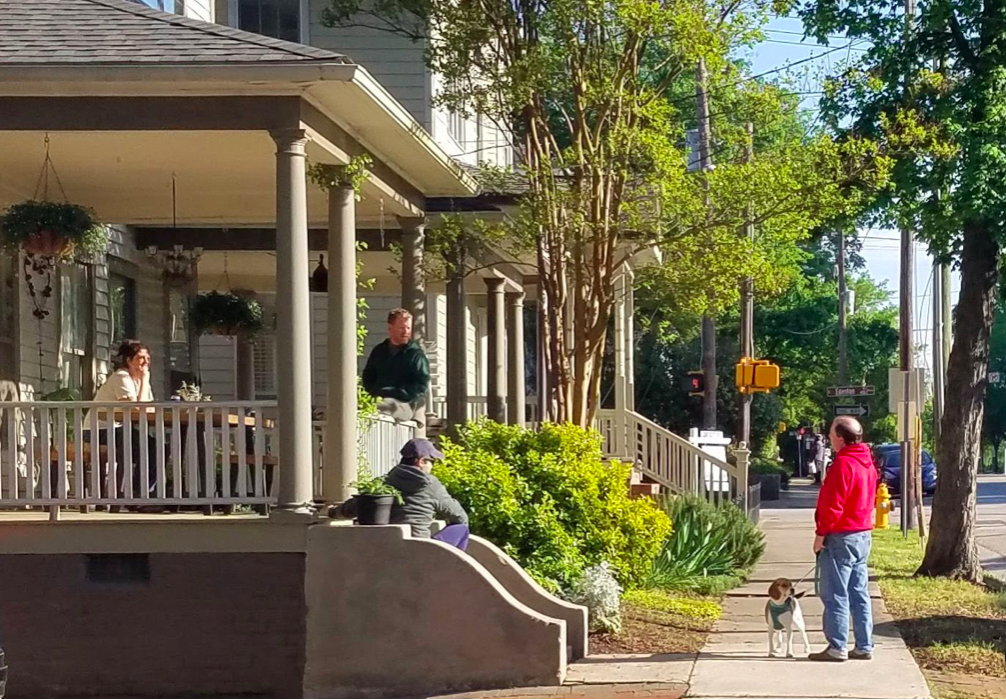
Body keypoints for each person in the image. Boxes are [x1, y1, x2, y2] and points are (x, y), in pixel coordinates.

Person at [810, 415, 877, 662]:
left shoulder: (842, 465)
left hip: (841, 536)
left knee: (835, 592)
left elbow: (832, 505)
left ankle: (837, 645)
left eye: (830, 434)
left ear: (839, 437)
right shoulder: (867, 463)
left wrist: (821, 534)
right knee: (859, 592)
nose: (829, 438)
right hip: (862, 534)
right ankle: (864, 644)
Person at [330, 438, 470, 550]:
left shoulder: (383, 482)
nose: (432, 466)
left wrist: (333, 512)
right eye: (431, 461)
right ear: (421, 461)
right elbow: (460, 516)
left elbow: (354, 507)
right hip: (422, 549)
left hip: (384, 549)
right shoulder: (431, 485)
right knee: (461, 529)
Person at [88, 340, 157, 498]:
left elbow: (150, 408)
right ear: (128, 360)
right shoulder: (121, 376)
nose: (146, 362)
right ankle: (139, 494)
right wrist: (145, 380)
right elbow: (135, 409)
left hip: (120, 428)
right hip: (100, 429)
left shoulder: (139, 380)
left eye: (148, 359)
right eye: (141, 358)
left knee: (156, 446)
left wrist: (143, 383)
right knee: (148, 446)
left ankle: (143, 492)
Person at [361, 308, 430, 423]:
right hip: (378, 399)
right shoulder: (379, 351)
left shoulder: (415, 354)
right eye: (402, 328)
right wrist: (375, 392)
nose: (406, 332)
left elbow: (421, 385)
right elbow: (368, 377)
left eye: (408, 328)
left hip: (405, 404)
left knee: (382, 407)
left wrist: (395, 392)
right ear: (390, 327)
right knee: (360, 408)